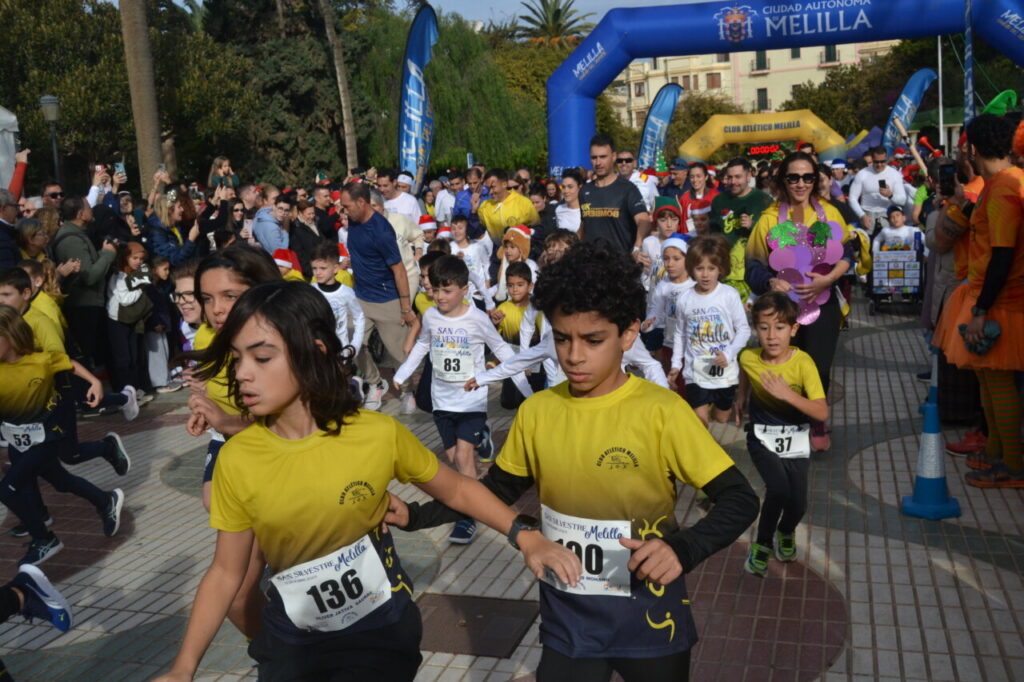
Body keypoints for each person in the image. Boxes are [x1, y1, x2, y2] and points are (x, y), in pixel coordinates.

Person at [154, 281, 580, 682]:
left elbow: (457, 488)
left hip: (381, 633)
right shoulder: (237, 458)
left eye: (262, 358)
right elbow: (225, 573)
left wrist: (525, 536)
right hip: (293, 645)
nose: (243, 373)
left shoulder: (377, 433)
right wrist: (182, 668)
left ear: (315, 351)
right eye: (236, 358)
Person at [388, 242, 758, 681]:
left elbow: (739, 498)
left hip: (651, 616)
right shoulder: (538, 412)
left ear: (628, 334)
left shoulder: (663, 411)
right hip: (568, 617)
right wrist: (417, 516)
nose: (574, 356)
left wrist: (683, 548)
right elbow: (495, 491)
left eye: (593, 340)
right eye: (562, 339)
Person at [393, 256, 530, 544]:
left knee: (464, 458)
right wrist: (403, 373)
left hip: (471, 401)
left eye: (447, 291)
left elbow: (501, 350)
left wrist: (526, 391)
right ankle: (483, 439)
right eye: (435, 290)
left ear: (464, 290)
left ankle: (467, 519)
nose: (440, 297)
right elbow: (423, 345)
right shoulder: (431, 316)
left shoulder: (477, 319)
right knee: (454, 457)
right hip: (443, 402)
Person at [931, 114, 1024, 488]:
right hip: (993, 296)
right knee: (988, 382)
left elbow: (1003, 252)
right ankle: (998, 453)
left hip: (999, 301)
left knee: (998, 384)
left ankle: (1013, 465)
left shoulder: (1004, 187)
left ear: (971, 148)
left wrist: (982, 309)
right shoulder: (1002, 183)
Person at [0, 306, 126, 566]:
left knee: (7, 490)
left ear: (10, 335)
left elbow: (69, 363)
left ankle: (44, 539)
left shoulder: (41, 361)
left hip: (46, 438)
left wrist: (95, 382)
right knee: (61, 481)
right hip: (17, 442)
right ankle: (105, 500)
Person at [746, 152, 854, 451]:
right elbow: (752, 266)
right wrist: (770, 282)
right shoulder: (768, 219)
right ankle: (786, 423)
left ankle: (816, 421)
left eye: (808, 177)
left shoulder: (828, 214)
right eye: (793, 177)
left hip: (823, 303)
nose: (801, 183)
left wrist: (829, 279)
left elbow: (847, 254)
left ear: (815, 180)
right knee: (784, 366)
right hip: (783, 310)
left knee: (819, 367)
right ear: (783, 180)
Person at [737, 293, 828, 576]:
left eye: (779, 327)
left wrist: (787, 395)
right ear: (756, 329)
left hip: (796, 439)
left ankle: (786, 530)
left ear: (794, 329)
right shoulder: (748, 357)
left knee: (798, 503)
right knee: (778, 489)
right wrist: (741, 396)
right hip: (761, 437)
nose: (771, 336)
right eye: (764, 328)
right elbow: (745, 370)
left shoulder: (803, 363)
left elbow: (821, 412)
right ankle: (762, 544)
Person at [340, 181, 415, 411]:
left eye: (346, 206)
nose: (344, 211)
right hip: (360, 298)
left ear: (361, 203)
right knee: (352, 346)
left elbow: (399, 269)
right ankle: (375, 383)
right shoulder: (353, 222)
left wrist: (405, 307)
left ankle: (407, 390)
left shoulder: (381, 231)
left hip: (386, 299)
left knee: (399, 352)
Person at [669, 235, 750, 426]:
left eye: (711, 268)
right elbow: (680, 334)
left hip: (724, 372)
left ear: (720, 269)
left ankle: (716, 411)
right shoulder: (684, 299)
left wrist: (729, 353)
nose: (705, 275)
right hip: (695, 371)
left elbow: (744, 330)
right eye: (700, 268)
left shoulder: (728, 295)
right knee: (700, 423)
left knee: (721, 418)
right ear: (691, 269)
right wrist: (676, 365)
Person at [52, 196, 116, 372]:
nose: (92, 210)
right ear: (81, 214)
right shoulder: (72, 240)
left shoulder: (79, 234)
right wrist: (107, 255)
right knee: (85, 354)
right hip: (82, 306)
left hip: (88, 304)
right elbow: (89, 276)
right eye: (88, 207)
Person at [579, 135, 652, 260]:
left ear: (613, 157)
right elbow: (584, 225)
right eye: (594, 158)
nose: (598, 163)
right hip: (591, 264)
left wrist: (636, 248)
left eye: (603, 157)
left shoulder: (628, 189)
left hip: (620, 264)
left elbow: (644, 221)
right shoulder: (585, 191)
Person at [710, 157, 772, 303]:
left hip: (757, 273)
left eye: (738, 177)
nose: (733, 182)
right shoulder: (719, 201)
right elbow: (712, 235)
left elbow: (773, 236)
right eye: (730, 177)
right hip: (727, 273)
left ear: (749, 176)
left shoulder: (763, 200)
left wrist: (753, 226)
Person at [642, 235, 693, 396]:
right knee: (673, 387)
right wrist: (648, 324)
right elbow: (656, 312)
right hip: (670, 343)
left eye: (676, 259)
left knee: (691, 389)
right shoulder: (663, 286)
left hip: (693, 346)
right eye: (666, 258)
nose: (670, 263)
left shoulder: (695, 285)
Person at [105, 242, 152, 393]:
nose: (138, 261)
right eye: (134, 258)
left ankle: (135, 389)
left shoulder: (135, 273)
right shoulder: (119, 275)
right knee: (123, 359)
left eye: (141, 258)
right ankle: (125, 391)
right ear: (126, 258)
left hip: (131, 320)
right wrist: (140, 290)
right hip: (117, 320)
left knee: (134, 357)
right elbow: (125, 299)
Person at [309, 241, 365, 354]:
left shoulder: (346, 292)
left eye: (323, 268)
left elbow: (359, 317)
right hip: (316, 351)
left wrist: (355, 346)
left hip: (340, 351)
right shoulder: (310, 290)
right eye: (314, 268)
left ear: (335, 268)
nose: (317, 272)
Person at [848, 145, 907, 236]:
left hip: (887, 217)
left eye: (882, 161)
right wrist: (862, 215)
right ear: (872, 159)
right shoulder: (863, 173)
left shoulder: (894, 174)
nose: (879, 165)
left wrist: (890, 195)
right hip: (867, 216)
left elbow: (902, 200)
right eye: (876, 162)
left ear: (886, 159)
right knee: (867, 244)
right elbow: (852, 198)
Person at [478, 168, 541, 245]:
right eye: (488, 188)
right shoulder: (484, 206)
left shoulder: (524, 203)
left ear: (504, 184)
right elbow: (478, 232)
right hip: (498, 250)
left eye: (493, 187)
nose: (490, 192)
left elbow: (537, 229)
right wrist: (473, 213)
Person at [146, 194, 201, 266]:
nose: (182, 209)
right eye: (179, 207)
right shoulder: (157, 233)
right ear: (169, 210)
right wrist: (191, 240)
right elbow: (175, 260)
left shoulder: (176, 225)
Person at [491, 225, 538, 303]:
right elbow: (500, 285)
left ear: (521, 248)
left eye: (512, 247)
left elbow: (534, 288)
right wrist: (486, 293)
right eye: (506, 247)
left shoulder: (530, 265)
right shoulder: (505, 265)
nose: (508, 251)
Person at [678, 162, 719, 233]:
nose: (695, 180)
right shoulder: (684, 198)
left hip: (712, 236)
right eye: (692, 177)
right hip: (690, 237)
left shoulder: (715, 196)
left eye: (698, 176)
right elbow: (682, 223)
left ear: (706, 177)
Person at [554, 168, 583, 234]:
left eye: (570, 187)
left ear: (580, 187)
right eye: (563, 187)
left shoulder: (587, 210)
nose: (566, 191)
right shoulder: (559, 209)